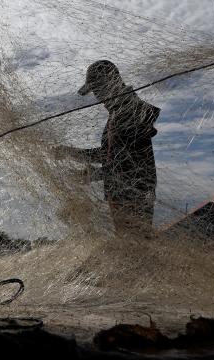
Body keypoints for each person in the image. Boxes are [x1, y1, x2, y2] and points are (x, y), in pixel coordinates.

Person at [54, 60, 159, 233]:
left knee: (134, 247)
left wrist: (75, 158)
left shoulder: (128, 111)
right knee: (132, 247)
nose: (97, 96)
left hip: (131, 198)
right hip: (127, 195)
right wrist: (88, 169)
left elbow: (122, 162)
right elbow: (115, 157)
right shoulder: (121, 112)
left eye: (96, 89)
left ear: (109, 83)